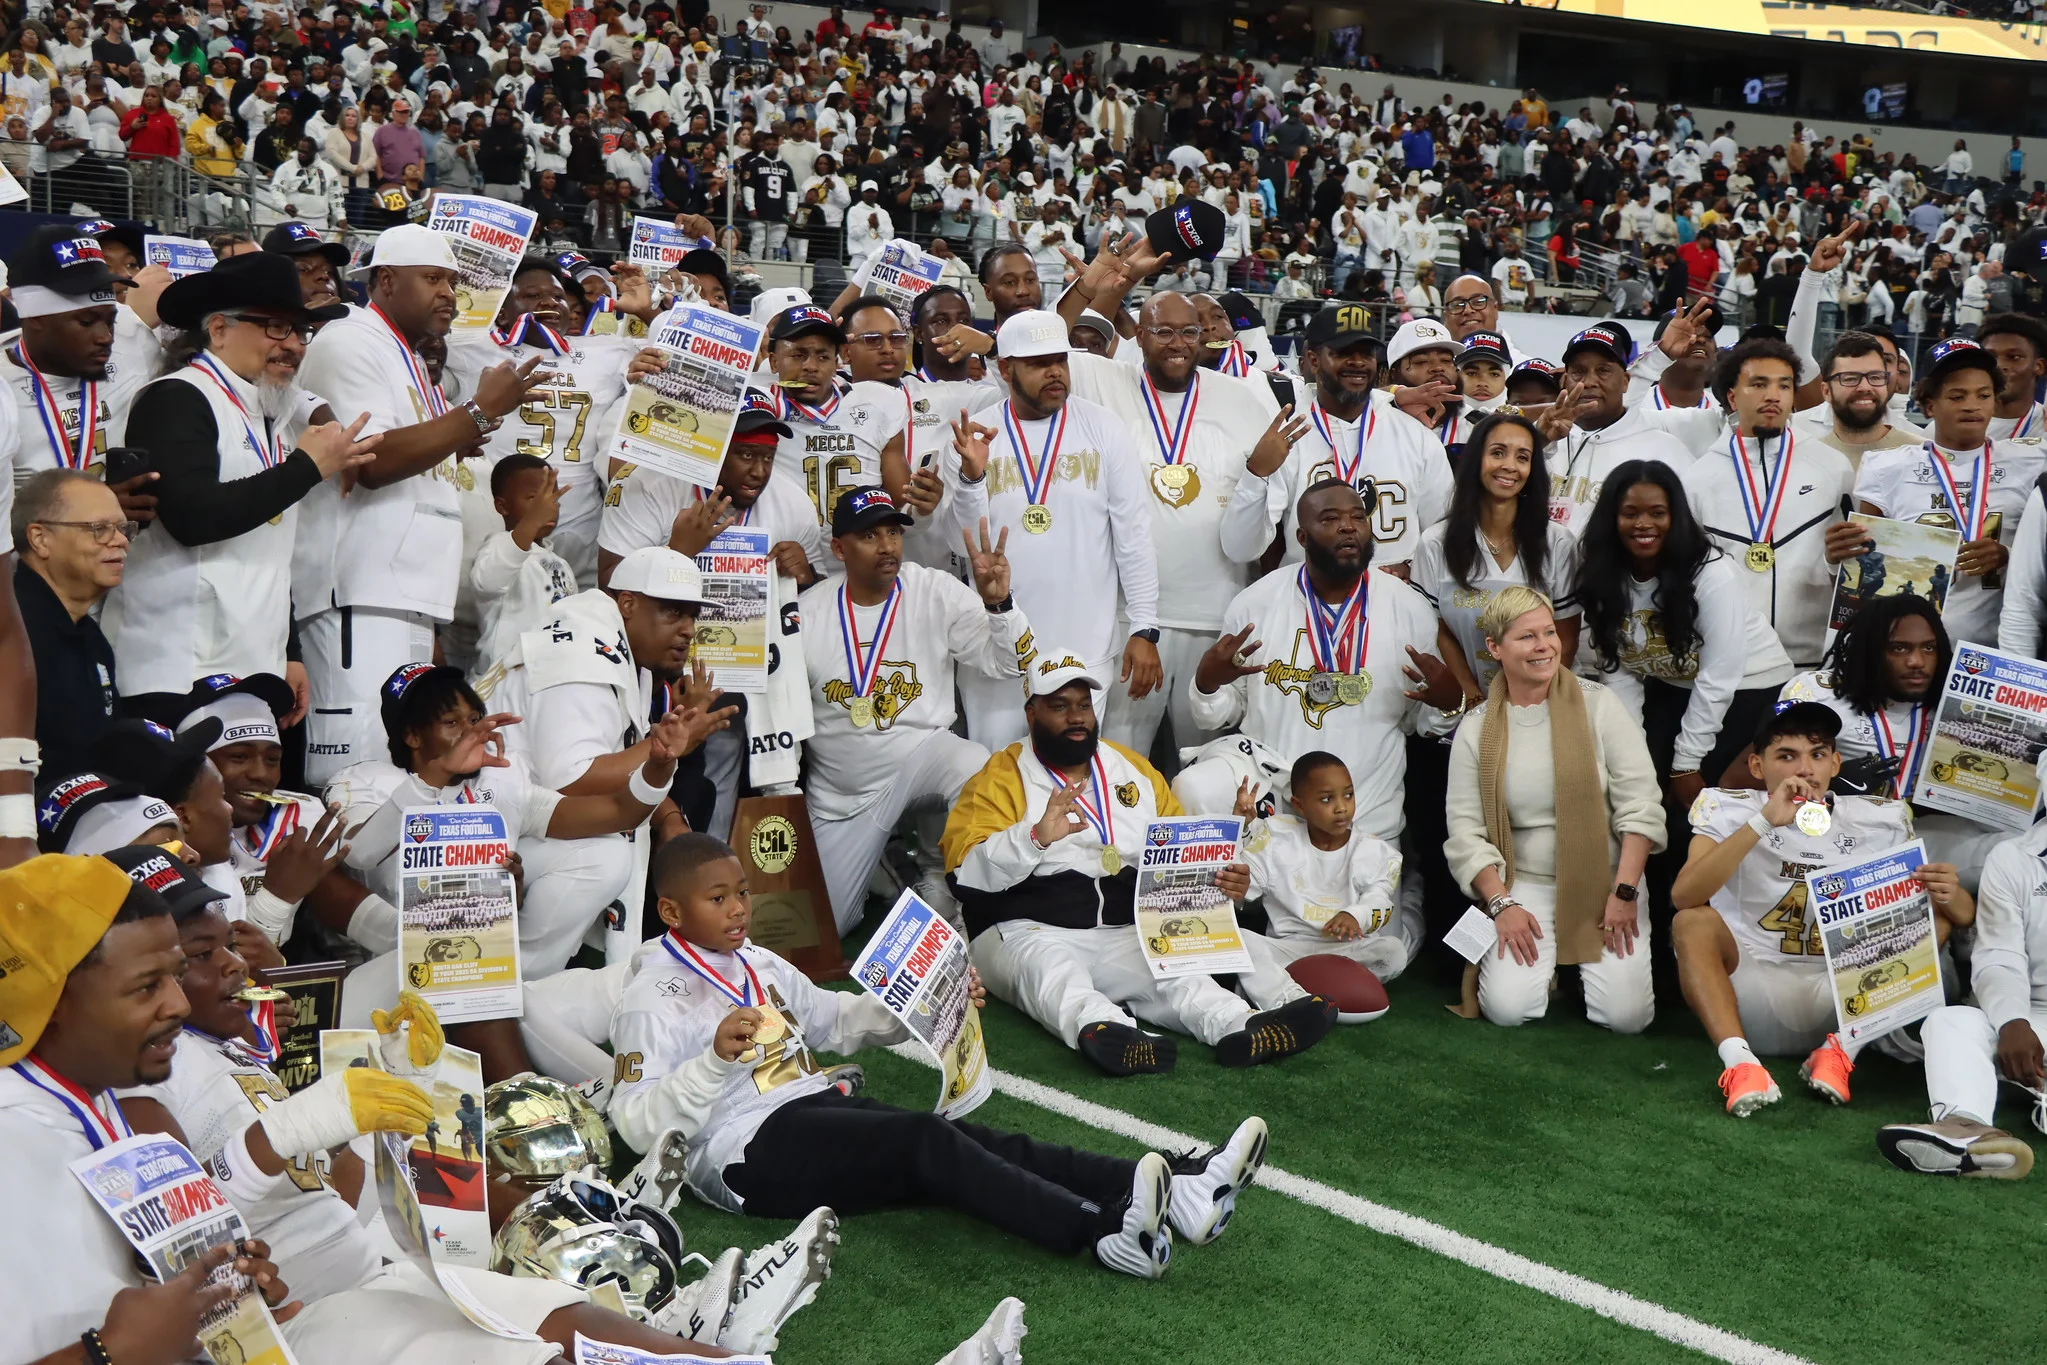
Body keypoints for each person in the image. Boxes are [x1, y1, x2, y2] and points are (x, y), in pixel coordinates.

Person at [611, 832, 1271, 1284]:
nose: (737, 909)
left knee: (967, 1138)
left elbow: (833, 1018)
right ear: (671, 910)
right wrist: (713, 1062)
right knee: (925, 1141)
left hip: (803, 1108)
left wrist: (922, 1001)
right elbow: (635, 1124)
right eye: (717, 898)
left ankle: (1179, 1189)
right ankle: (1102, 1232)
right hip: (742, 1156)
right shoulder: (651, 997)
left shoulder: (756, 960)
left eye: (742, 891)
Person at [944, 648, 1335, 1073]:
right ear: (1031, 713)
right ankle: (1108, 1032)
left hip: (1122, 928)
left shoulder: (1131, 768)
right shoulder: (1000, 777)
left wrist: (1224, 876)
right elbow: (964, 876)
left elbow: (1179, 857)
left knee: (1178, 977)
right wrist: (1034, 837)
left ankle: (1241, 1025)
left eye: (1083, 705)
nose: (1076, 717)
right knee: (1053, 976)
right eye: (1059, 706)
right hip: (1027, 929)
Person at [294, 224, 546, 787]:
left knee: (401, 772)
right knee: (356, 774)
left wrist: (458, 432)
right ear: (386, 280)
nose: (449, 294)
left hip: (406, 595)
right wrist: (476, 414)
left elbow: (415, 458)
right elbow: (370, 461)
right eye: (433, 279)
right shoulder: (349, 339)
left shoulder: (407, 356)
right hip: (358, 590)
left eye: (452, 282)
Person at [1044, 261, 1302, 756]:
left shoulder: (1243, 400)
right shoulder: (1105, 381)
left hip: (1216, 612)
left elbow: (1249, 541)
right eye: (1163, 331)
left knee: (1204, 760)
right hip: (1128, 615)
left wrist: (1258, 475)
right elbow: (1041, 343)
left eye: (1190, 332)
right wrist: (1090, 288)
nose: (1178, 343)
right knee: (1119, 758)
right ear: (1138, 335)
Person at [105, 253, 377, 716]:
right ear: (218, 329)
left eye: (301, 331)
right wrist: (306, 468)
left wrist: (288, 650)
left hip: (254, 661)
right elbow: (192, 517)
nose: (294, 345)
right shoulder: (176, 397)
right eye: (277, 327)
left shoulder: (268, 410)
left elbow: (269, 545)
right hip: (176, 667)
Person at [1671, 702, 1952, 1115]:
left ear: (1835, 763)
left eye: (1817, 754)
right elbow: (1685, 896)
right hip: (1751, 991)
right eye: (1787, 756)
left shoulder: (1879, 818)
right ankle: (1741, 1064)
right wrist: (1762, 822)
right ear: (1756, 766)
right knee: (1692, 922)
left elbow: (1956, 917)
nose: (1804, 769)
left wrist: (1950, 892)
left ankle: (1841, 1051)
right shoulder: (1730, 807)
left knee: (1931, 917)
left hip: (1844, 1000)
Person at [801, 488, 1027, 932]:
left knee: (977, 766)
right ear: (839, 549)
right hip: (844, 794)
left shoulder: (933, 589)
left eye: (893, 532)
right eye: (870, 536)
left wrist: (999, 605)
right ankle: (886, 871)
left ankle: (948, 882)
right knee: (829, 926)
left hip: (920, 757)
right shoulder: (808, 614)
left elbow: (1010, 663)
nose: (887, 546)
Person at [1446, 587, 1663, 1031]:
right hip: (1524, 882)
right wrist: (1502, 904)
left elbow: (1641, 804)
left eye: (1549, 633)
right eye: (1527, 637)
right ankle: (1548, 969)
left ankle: (1580, 970)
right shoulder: (1475, 728)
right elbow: (1465, 832)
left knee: (1627, 1020)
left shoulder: (1600, 704)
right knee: (1507, 1011)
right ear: (1495, 647)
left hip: (1606, 880)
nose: (1544, 645)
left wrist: (1625, 893)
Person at [948, 309, 1161, 750]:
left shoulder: (1103, 427)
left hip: (1085, 647)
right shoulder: (978, 435)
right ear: (1007, 368)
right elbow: (961, 544)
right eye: (1038, 363)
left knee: (1073, 776)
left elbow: (1134, 535)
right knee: (997, 774)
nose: (1055, 372)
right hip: (998, 652)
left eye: (1060, 360)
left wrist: (1144, 627)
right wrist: (971, 480)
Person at [1574, 459, 1794, 818]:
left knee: (1698, 807)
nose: (1644, 524)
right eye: (1630, 513)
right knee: (1638, 787)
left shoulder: (1713, 575)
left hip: (1749, 690)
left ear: (1675, 517)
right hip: (1671, 685)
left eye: (1657, 513)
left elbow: (1718, 678)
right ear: (1610, 519)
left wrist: (1686, 764)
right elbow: (1620, 669)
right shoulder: (1602, 574)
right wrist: (1633, 755)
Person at [1219, 303, 1449, 574]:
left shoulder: (1416, 435)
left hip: (1397, 593)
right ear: (1314, 360)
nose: (1358, 362)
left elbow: (1443, 533)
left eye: (1366, 353)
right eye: (1343, 352)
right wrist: (1256, 475)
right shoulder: (1287, 437)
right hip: (1308, 594)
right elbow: (1240, 549)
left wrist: (1414, 568)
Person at [1678, 337, 1859, 671]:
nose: (1773, 395)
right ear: (1732, 397)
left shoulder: (1833, 468)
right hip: (1732, 667)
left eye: (1784, 385)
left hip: (1813, 666)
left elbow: (1857, 570)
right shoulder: (1698, 479)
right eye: (1759, 384)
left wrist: (1835, 564)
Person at [1876, 824, 2046, 1179]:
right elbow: (1999, 956)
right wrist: (2013, 1022)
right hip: (2033, 1013)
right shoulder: (2012, 857)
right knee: (1950, 1021)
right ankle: (1967, 1130)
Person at [1855, 337, 2042, 650]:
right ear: (1930, 405)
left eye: (1984, 395)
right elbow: (1866, 561)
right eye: (1957, 396)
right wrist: (1837, 558)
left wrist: (2007, 556)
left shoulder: (2030, 462)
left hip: (1999, 646)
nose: (1972, 405)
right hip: (1914, 649)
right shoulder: (1887, 467)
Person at [1412, 412, 1580, 700]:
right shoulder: (1435, 542)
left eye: (1522, 457)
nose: (1509, 466)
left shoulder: (1558, 542)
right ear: (1476, 459)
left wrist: (1530, 701)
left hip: (1540, 702)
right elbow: (1437, 630)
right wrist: (1472, 697)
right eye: (1498, 453)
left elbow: (1566, 635)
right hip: (1463, 706)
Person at [1241, 750, 1419, 998]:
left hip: (1346, 951)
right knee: (1242, 942)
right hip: (1289, 949)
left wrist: (1355, 915)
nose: (1341, 808)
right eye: (1327, 799)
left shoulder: (1373, 850)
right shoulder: (1277, 836)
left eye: (1348, 795)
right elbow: (1244, 885)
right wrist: (1241, 831)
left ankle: (1282, 988)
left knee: (1393, 951)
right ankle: (1293, 998)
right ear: (1299, 805)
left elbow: (1380, 901)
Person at [12, 470, 124, 776]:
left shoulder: (91, 637)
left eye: (123, 528)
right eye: (100, 528)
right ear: (40, 539)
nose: (121, 541)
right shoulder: (12, 634)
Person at [1547, 322, 1699, 536]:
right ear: (1564, 381)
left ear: (1626, 381)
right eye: (1578, 372)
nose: (1589, 382)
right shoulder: (1542, 442)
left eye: (1603, 371)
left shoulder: (1665, 451)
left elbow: (1689, 533)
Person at [469, 454, 576, 677]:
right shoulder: (498, 546)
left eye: (553, 498)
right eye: (534, 499)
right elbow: (487, 582)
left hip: (549, 676)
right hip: (501, 680)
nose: (548, 507)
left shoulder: (560, 563)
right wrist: (532, 521)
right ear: (502, 506)